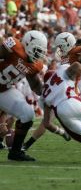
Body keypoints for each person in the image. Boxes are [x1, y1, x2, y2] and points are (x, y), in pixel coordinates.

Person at [0, 30, 48, 161]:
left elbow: (35, 85)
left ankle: (15, 152)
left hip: (4, 90)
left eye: (41, 52)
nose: (39, 55)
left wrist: (48, 91)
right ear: (28, 43)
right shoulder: (14, 45)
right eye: (37, 50)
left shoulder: (35, 65)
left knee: (27, 113)